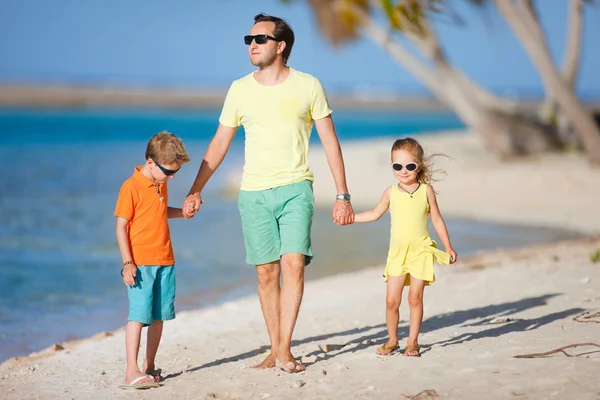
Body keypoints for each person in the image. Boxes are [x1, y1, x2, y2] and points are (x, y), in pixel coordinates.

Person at [182, 13, 354, 373]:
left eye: (259, 39)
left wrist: (342, 195)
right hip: (254, 192)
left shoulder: (309, 85)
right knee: (266, 274)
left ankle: (285, 351)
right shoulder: (239, 89)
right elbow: (219, 143)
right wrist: (195, 189)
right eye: (249, 40)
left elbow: (330, 141)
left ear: (281, 46)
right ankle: (276, 349)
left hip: (295, 187)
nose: (252, 45)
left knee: (293, 265)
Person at [353, 137, 457, 357]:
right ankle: (392, 340)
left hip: (421, 252)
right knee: (392, 301)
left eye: (409, 166)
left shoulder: (426, 191)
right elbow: (374, 214)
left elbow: (437, 219)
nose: (403, 170)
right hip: (397, 255)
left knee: (415, 298)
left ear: (418, 166)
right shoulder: (390, 192)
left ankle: (412, 342)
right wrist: (351, 217)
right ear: (392, 167)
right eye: (397, 166)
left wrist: (448, 246)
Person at [114, 131, 191, 389]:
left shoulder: (161, 183)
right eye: (168, 172)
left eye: (174, 173)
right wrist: (127, 262)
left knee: (158, 316)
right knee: (138, 315)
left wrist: (182, 213)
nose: (171, 177)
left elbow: (159, 212)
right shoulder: (131, 187)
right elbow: (121, 226)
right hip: (141, 263)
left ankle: (148, 365)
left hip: (165, 260)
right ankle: (130, 371)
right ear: (150, 162)